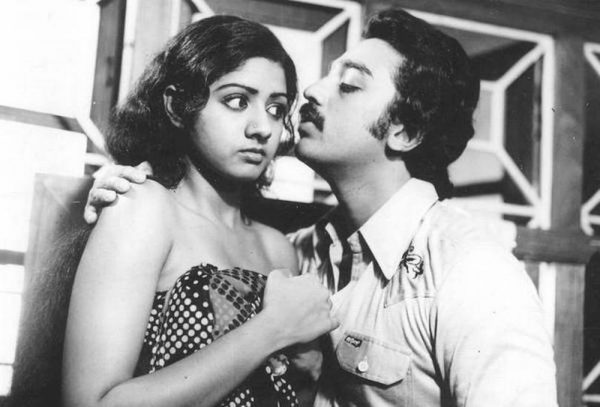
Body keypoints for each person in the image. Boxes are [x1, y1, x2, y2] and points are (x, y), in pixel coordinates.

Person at [85, 8, 558, 406]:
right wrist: (127, 186)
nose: (311, 91)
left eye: (348, 85)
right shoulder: (300, 253)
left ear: (405, 132)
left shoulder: (469, 271)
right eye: (237, 101)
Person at [63, 15, 338, 407]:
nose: (262, 128)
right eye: (237, 101)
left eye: (276, 109)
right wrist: (271, 329)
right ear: (177, 106)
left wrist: (308, 373)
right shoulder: (144, 208)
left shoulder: (278, 248)